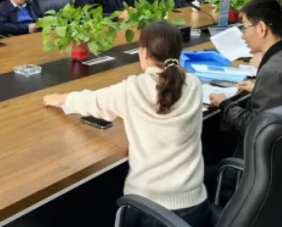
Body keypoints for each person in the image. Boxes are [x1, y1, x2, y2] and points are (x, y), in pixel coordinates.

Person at [43, 23, 213, 227]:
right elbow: (165, 97)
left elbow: (93, 101)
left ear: (144, 53)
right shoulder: (194, 84)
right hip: (196, 208)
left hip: (148, 210)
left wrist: (63, 98)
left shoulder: (132, 89)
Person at [209, 0, 282, 154]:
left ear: (261, 28)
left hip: (272, 159)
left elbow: (258, 129)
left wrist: (225, 104)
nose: (242, 36)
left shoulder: (271, 71)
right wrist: (258, 89)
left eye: (244, 28)